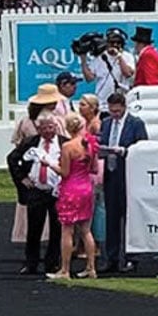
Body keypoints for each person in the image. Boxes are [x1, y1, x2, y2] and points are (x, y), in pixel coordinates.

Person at [99, 91, 148, 276]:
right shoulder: (106, 123)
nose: (115, 115)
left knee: (130, 219)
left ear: (124, 107)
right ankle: (111, 258)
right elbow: (102, 143)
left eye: (118, 111)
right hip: (111, 175)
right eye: (112, 111)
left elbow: (143, 149)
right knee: (111, 218)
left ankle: (131, 258)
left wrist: (125, 151)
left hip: (129, 175)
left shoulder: (136, 124)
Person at [9, 112, 62, 276]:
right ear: (38, 129)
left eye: (51, 127)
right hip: (36, 190)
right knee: (34, 229)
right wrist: (22, 178)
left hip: (56, 191)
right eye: (44, 128)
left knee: (57, 228)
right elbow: (12, 159)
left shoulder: (63, 143)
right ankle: (31, 263)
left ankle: (52, 263)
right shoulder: (30, 143)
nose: (48, 131)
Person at [49, 113, 100, 282]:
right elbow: (94, 169)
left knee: (67, 230)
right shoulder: (90, 145)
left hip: (71, 189)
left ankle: (65, 269)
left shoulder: (68, 147)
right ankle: (91, 267)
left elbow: (65, 172)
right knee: (86, 230)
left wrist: (49, 163)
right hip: (86, 187)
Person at [81, 27, 135, 106]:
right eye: (112, 42)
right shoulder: (100, 57)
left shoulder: (127, 56)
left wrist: (119, 56)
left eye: (118, 42)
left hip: (122, 101)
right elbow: (89, 78)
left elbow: (128, 74)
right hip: (102, 101)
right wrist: (83, 60)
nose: (115, 45)